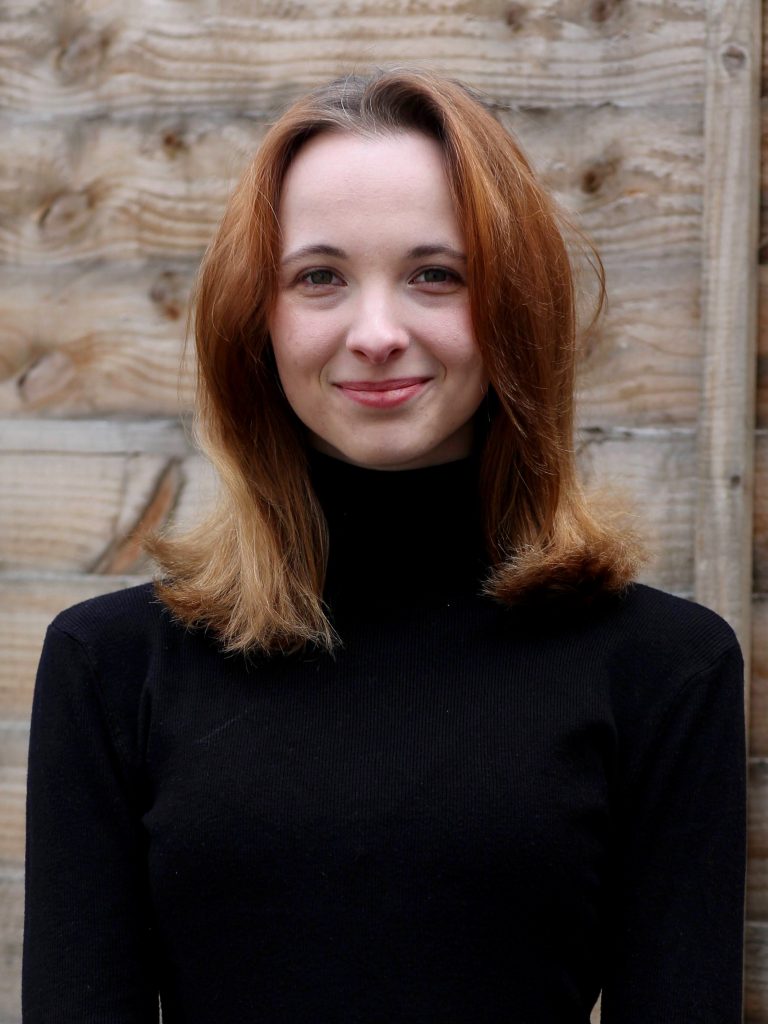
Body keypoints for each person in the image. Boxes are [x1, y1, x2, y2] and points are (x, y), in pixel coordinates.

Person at [23, 68, 746, 1023]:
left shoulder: (665, 670)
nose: (376, 333)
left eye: (435, 275)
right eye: (319, 276)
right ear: (258, 320)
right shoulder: (111, 669)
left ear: (516, 310)